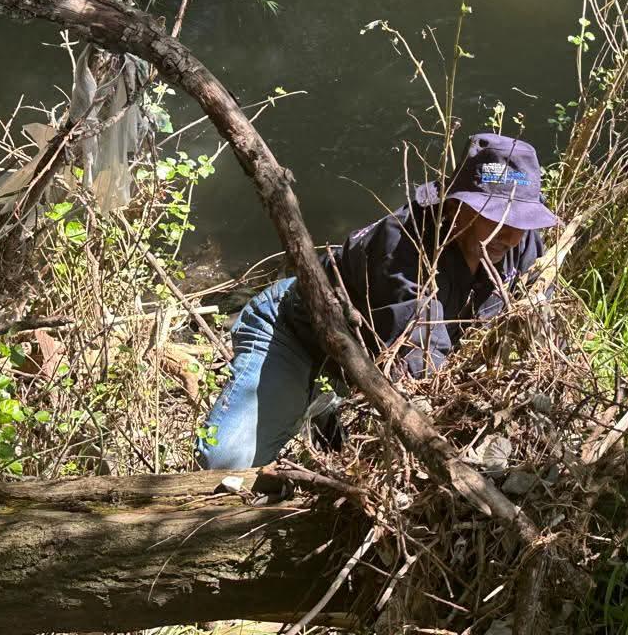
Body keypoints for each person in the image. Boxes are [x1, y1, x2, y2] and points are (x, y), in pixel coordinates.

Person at [196, 133, 558, 470]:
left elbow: (532, 332)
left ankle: (327, 403)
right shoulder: (403, 246)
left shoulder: (522, 246)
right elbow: (422, 369)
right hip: (295, 332)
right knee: (226, 462)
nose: (511, 235)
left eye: (524, 220)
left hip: (362, 356)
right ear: (455, 208)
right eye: (498, 218)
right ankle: (311, 399)